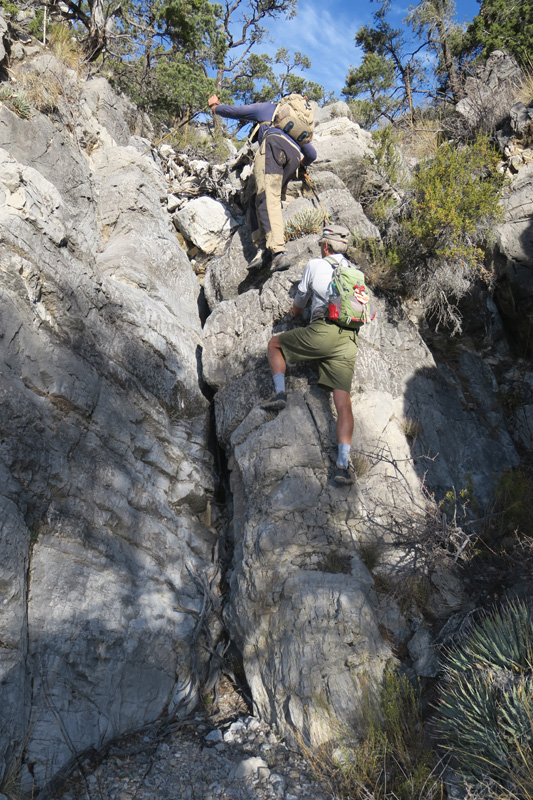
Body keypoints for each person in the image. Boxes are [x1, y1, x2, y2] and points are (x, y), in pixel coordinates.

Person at [263, 223, 359, 485]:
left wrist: (291, 316)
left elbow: (301, 299)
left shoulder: (316, 265)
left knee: (274, 344)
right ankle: (342, 464)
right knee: (343, 404)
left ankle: (280, 393)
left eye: (321, 244)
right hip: (349, 340)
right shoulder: (355, 272)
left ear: (326, 246)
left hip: (323, 331)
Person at [207, 94, 317, 271]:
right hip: (294, 157)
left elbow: (236, 111)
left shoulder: (267, 108)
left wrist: (215, 108)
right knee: (256, 200)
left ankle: (278, 253)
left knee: (267, 198)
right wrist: (301, 166)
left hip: (273, 147)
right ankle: (262, 247)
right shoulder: (296, 127)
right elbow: (312, 154)